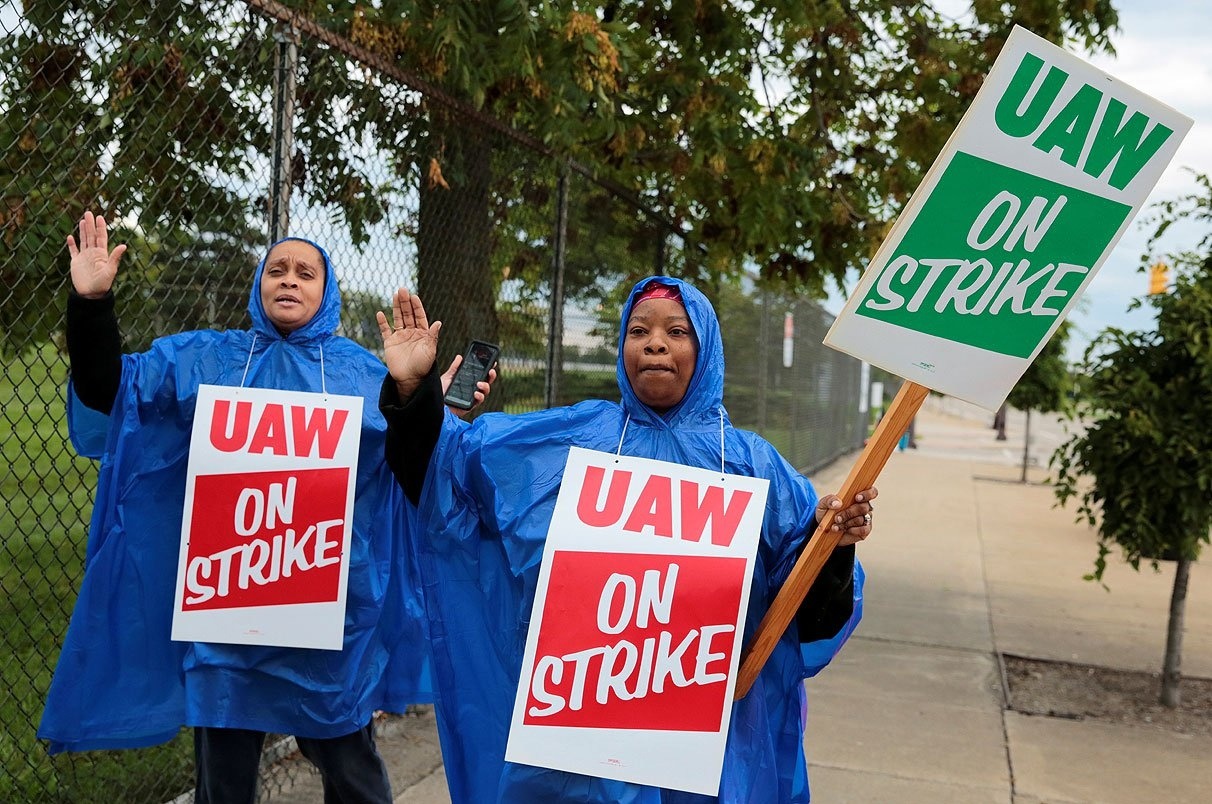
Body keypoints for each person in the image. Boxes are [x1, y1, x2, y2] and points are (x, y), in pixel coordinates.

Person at [38, 212, 489, 804]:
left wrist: (422, 399)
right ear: (258, 284)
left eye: (306, 273)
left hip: (331, 618)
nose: (289, 281)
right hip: (226, 616)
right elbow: (109, 390)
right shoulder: (206, 359)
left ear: (326, 294)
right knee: (222, 785)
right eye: (276, 269)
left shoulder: (363, 373)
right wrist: (91, 304)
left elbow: (419, 461)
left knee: (354, 777)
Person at [376, 277, 876, 803]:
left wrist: (835, 545)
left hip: (707, 754)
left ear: (703, 348)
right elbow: (445, 477)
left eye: (675, 331)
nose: (655, 343)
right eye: (639, 330)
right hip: (579, 751)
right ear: (622, 346)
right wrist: (413, 392)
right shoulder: (572, 439)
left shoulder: (753, 466)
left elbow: (814, 611)